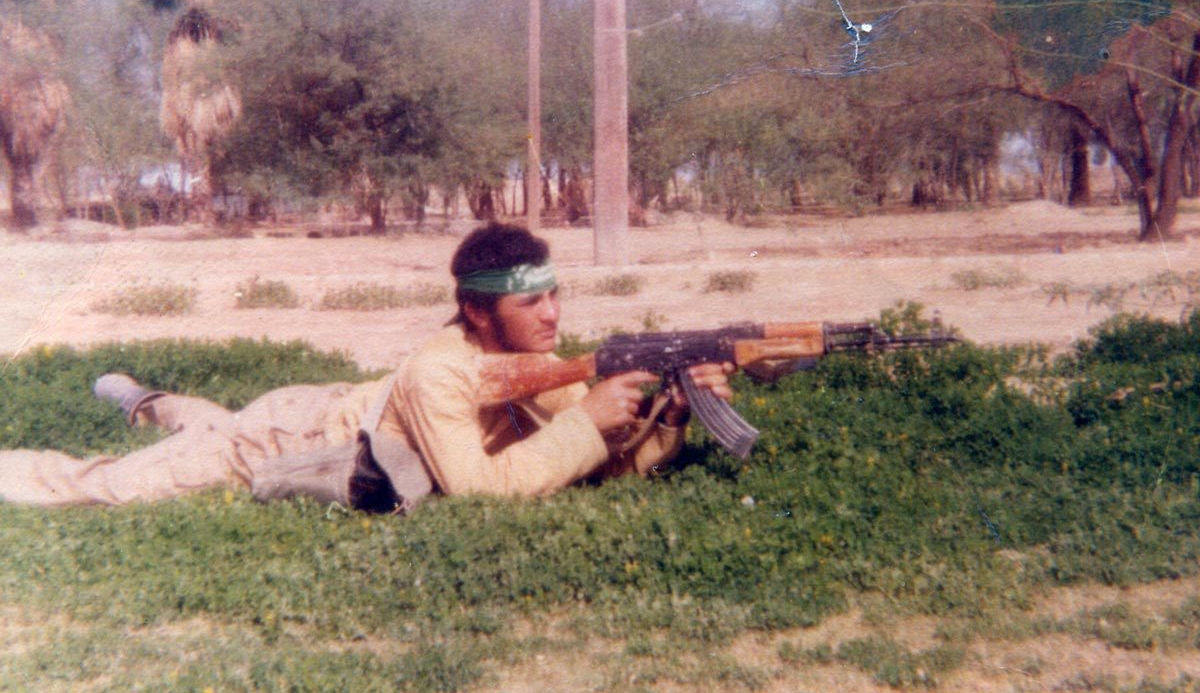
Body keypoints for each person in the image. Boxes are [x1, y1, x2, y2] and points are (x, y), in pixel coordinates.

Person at [0, 223, 731, 508]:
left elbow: (596, 465)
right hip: (288, 436)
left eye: (554, 295)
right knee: (105, 485)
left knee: (204, 420)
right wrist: (587, 425)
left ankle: (143, 399)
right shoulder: (439, 370)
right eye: (531, 302)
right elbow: (478, 488)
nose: (552, 315)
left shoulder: (531, 362)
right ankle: (127, 410)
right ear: (477, 311)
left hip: (332, 402)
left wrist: (666, 422)